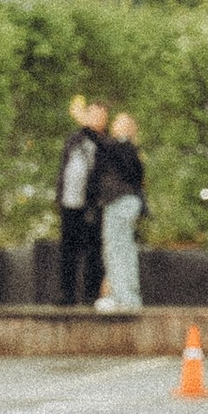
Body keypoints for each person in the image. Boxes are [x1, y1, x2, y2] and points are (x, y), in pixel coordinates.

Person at [92, 113, 147, 313]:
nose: (114, 125)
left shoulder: (123, 147)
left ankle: (125, 299)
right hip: (122, 202)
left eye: (119, 122)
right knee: (121, 249)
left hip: (120, 202)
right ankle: (122, 296)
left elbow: (132, 172)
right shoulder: (123, 148)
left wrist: (90, 127)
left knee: (117, 251)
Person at [54, 99, 105, 310]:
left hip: (91, 205)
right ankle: (67, 295)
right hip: (70, 203)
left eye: (98, 115)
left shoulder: (105, 142)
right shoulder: (74, 140)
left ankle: (90, 295)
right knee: (68, 251)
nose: (93, 119)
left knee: (93, 251)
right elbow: (64, 167)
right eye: (91, 114)